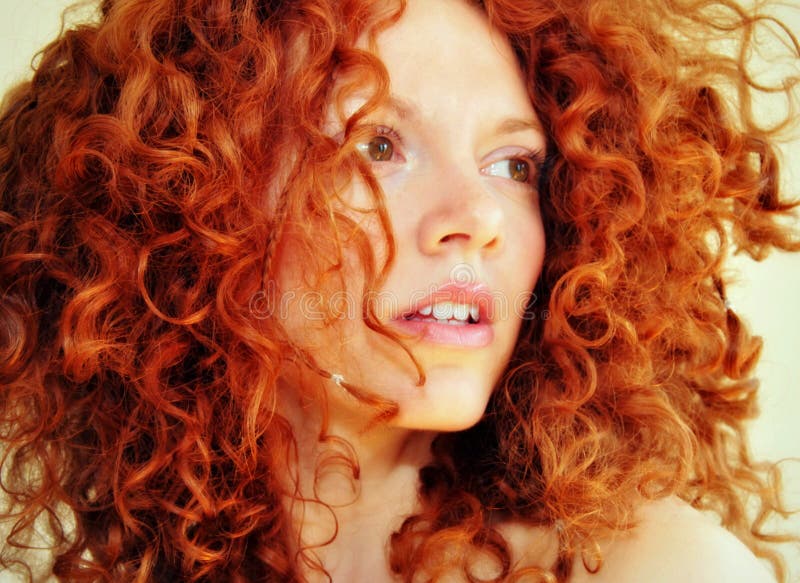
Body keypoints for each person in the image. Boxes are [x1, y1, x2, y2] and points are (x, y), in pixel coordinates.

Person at [0, 0, 797, 580]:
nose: (479, 217)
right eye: (378, 144)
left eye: (516, 165)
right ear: (198, 203)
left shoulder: (655, 568)